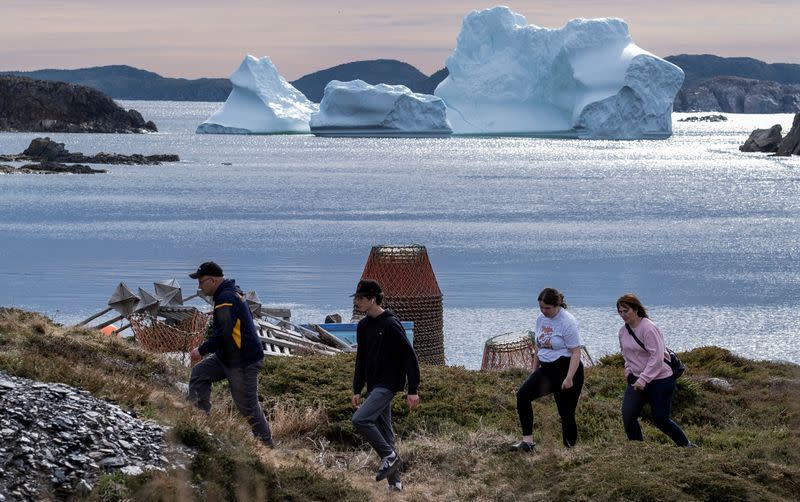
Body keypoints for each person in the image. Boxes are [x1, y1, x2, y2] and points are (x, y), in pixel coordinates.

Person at [186, 261, 273, 448]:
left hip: (243, 360)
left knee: (247, 406)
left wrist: (200, 350)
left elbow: (223, 333)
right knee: (200, 374)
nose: (199, 286)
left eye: (201, 282)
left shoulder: (226, 298)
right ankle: (199, 420)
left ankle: (267, 446)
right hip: (228, 356)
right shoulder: (229, 292)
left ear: (212, 280)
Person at [351, 279, 420, 493]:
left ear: (373, 299)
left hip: (388, 384)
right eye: (356, 298)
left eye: (361, 298)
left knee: (360, 419)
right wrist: (356, 388)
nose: (357, 302)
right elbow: (361, 359)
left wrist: (413, 390)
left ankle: (389, 456)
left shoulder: (391, 324)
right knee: (386, 433)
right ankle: (396, 484)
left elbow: (410, 357)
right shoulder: (363, 326)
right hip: (373, 385)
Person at [512, 287, 584, 451]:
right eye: (541, 307)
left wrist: (569, 378)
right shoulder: (540, 319)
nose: (544, 311)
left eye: (547, 308)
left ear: (557, 305)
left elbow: (575, 352)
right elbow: (538, 346)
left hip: (566, 369)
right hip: (546, 369)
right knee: (522, 395)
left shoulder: (567, 321)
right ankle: (527, 442)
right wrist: (534, 369)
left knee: (565, 412)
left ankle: (569, 450)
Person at [616, 293, 691, 447]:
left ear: (636, 309)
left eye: (626, 310)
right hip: (636, 379)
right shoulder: (623, 332)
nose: (623, 315)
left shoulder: (648, 328)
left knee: (660, 420)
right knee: (628, 415)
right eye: (620, 311)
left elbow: (656, 358)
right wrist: (628, 369)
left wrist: (643, 379)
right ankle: (638, 448)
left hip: (660, 380)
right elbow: (626, 353)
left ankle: (686, 446)